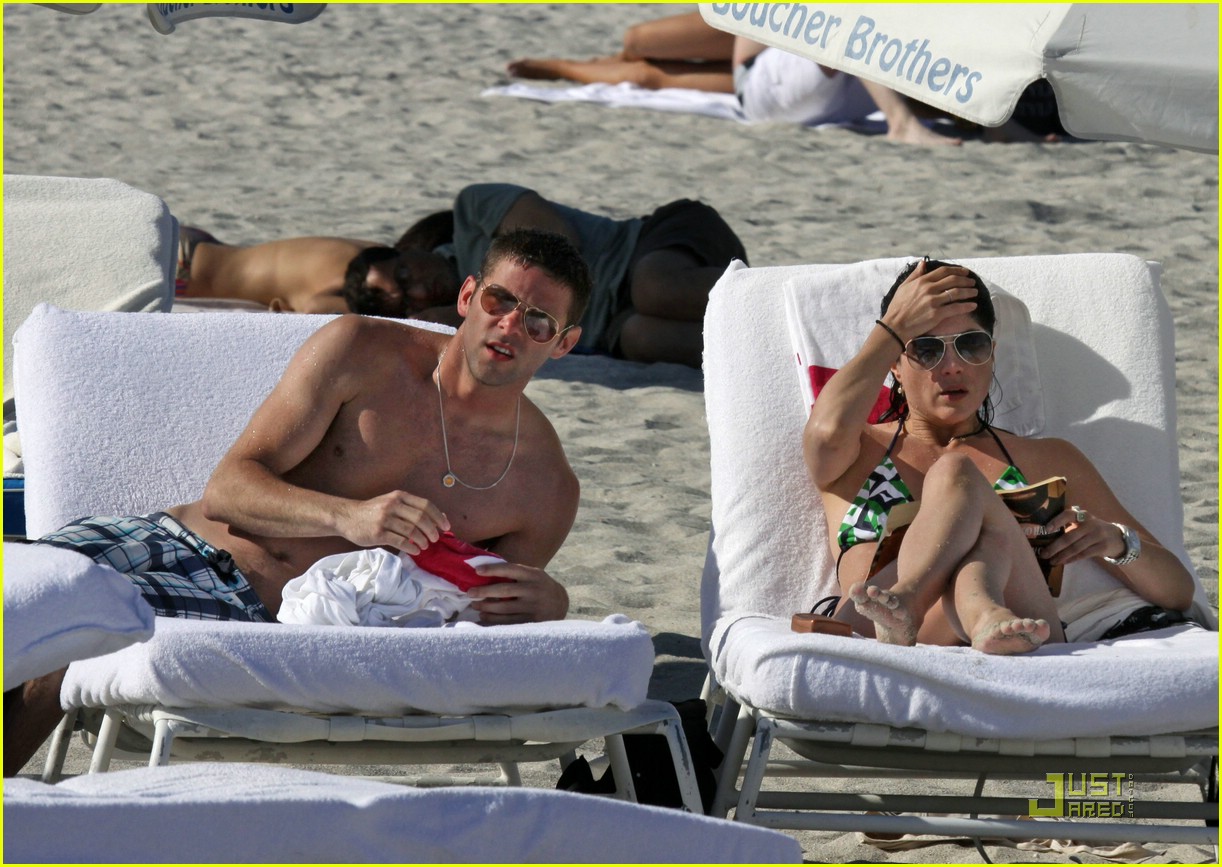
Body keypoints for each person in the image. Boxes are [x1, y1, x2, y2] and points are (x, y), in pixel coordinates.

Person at [5, 229, 590, 777]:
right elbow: (228, 489)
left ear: (564, 343)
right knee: (20, 594)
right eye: (499, 299)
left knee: (62, 634)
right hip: (161, 535)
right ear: (467, 296)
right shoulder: (362, 349)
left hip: (252, 609)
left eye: (538, 321)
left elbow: (470, 625)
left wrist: (549, 604)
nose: (510, 325)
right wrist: (348, 516)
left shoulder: (544, 489)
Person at [803, 258, 1196, 654]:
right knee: (963, 483)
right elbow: (825, 432)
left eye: (971, 345)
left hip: (1019, 631)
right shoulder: (857, 450)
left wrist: (1117, 542)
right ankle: (952, 608)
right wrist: (892, 328)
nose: (952, 367)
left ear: (992, 355)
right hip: (869, 625)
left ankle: (956, 609)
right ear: (896, 365)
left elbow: (1178, 591)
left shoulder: (1046, 459)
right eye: (926, 349)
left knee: (969, 492)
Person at [179, 184, 747, 369]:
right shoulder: (482, 311)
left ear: (410, 248)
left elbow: (557, 248)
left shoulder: (475, 210)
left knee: (654, 289)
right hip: (612, 321)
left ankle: (778, 296)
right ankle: (771, 346)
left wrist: (480, 293)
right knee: (645, 339)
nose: (415, 289)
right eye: (402, 299)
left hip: (655, 245)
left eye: (404, 271)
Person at [507, 10, 963, 148]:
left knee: (651, 74)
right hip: (761, 42)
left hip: (767, 64)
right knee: (639, 46)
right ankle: (572, 65)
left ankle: (563, 68)